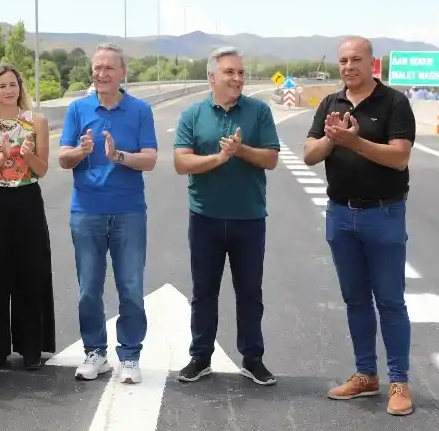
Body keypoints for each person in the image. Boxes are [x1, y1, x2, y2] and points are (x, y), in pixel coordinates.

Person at [303, 36, 415, 417]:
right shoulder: (329, 103)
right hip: (340, 215)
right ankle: (366, 375)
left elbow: (399, 158)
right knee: (355, 300)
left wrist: (355, 140)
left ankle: (399, 380)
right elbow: (309, 155)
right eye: (343, 61)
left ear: (373, 64)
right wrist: (333, 139)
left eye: (356, 59)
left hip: (383, 215)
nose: (348, 66)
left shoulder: (395, 103)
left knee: (390, 300)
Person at [173, 46, 279, 386]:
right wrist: (218, 159)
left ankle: (253, 358)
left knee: (250, 292)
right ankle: (200, 357)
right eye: (230, 72)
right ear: (212, 77)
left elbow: (271, 158)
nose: (237, 78)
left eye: (240, 73)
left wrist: (240, 151)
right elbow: (181, 162)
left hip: (249, 218)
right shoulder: (192, 115)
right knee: (204, 292)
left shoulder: (259, 111)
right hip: (204, 218)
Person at [58, 43, 157, 384]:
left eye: (108, 68)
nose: (101, 73)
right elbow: (63, 158)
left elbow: (150, 159)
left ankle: (129, 356)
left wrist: (118, 156)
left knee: (130, 286)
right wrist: (80, 151)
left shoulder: (141, 110)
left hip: (129, 211)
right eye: (97, 68)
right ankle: (95, 353)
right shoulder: (77, 109)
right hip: (86, 211)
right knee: (89, 288)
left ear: (122, 72)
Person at [0, 63, 56, 370]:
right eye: (2, 85)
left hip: (27, 200)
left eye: (13, 84)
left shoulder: (36, 121)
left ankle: (31, 348)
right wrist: (3, 157)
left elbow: (42, 170)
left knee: (30, 272)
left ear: (20, 87)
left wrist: (26, 154)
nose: (9, 90)